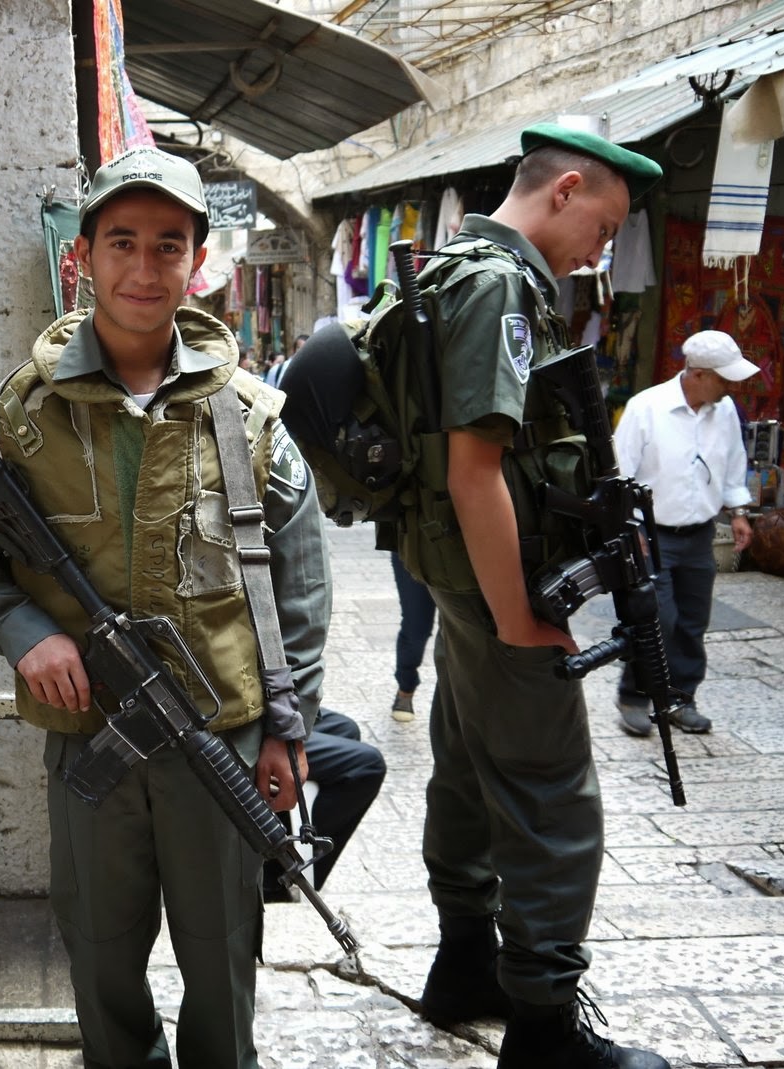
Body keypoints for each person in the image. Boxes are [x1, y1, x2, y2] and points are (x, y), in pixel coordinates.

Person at [0, 145, 331, 1069]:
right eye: (122, 243)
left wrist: (289, 726)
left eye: (168, 245)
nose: (144, 268)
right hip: (91, 740)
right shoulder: (25, 413)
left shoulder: (249, 417)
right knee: (100, 952)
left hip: (219, 741)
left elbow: (300, 587)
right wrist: (25, 632)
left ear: (198, 262)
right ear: (83, 257)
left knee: (222, 956)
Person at [398, 125, 672, 1069]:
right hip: (496, 587)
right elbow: (475, 468)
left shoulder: (457, 268)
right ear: (565, 189)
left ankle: (464, 963)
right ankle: (546, 1029)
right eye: (607, 224)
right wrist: (521, 615)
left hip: (461, 577)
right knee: (550, 793)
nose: (604, 247)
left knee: (468, 767)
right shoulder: (502, 288)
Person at [612, 329, 758, 737]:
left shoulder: (724, 411)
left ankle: (680, 698)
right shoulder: (646, 407)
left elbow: (733, 462)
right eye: (724, 378)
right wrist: (629, 528)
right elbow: (619, 473)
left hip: (698, 533)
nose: (730, 387)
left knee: (693, 621)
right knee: (657, 618)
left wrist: (739, 511)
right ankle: (635, 695)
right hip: (651, 534)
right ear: (698, 374)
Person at [260, 709, 385, 901]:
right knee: (367, 766)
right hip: (249, 726)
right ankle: (277, 875)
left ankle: (282, 864)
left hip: (268, 712)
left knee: (346, 729)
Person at [390, 550, 437, 722]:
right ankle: (406, 689)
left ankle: (455, 700)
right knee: (416, 626)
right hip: (413, 547)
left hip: (465, 552)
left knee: (461, 628)